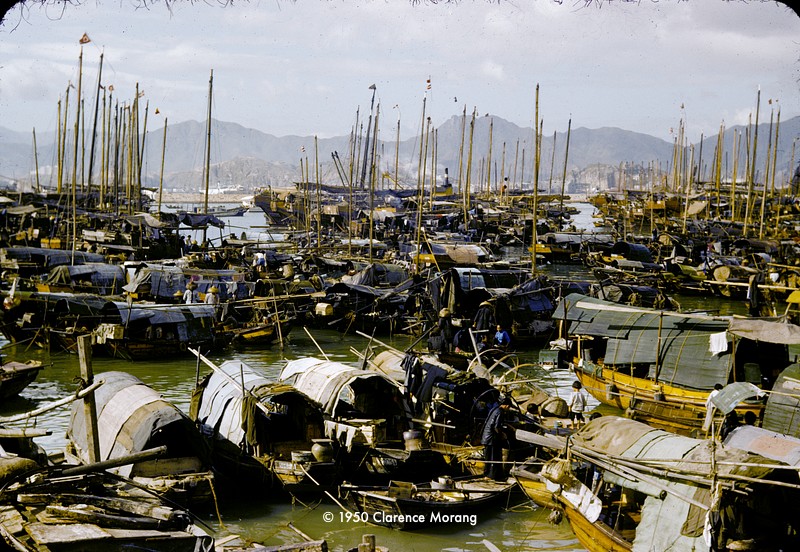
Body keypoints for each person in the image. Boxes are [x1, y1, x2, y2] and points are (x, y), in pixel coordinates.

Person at [480, 394, 511, 480]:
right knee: (494, 457)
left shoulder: (494, 409)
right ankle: (492, 476)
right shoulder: (500, 412)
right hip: (491, 438)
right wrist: (502, 435)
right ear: (507, 406)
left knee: (488, 457)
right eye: (508, 407)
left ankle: (486, 474)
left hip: (486, 437)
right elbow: (496, 426)